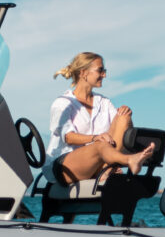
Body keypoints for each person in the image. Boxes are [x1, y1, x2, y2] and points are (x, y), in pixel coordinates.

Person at [47, 52, 155, 185]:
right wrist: (94, 138)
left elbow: (123, 132)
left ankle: (106, 169)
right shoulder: (62, 103)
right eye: (100, 70)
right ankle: (127, 160)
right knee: (100, 145)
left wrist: (127, 115)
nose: (104, 75)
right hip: (65, 166)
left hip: (98, 164)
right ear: (83, 73)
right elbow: (68, 137)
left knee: (123, 116)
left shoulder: (103, 102)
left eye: (105, 70)